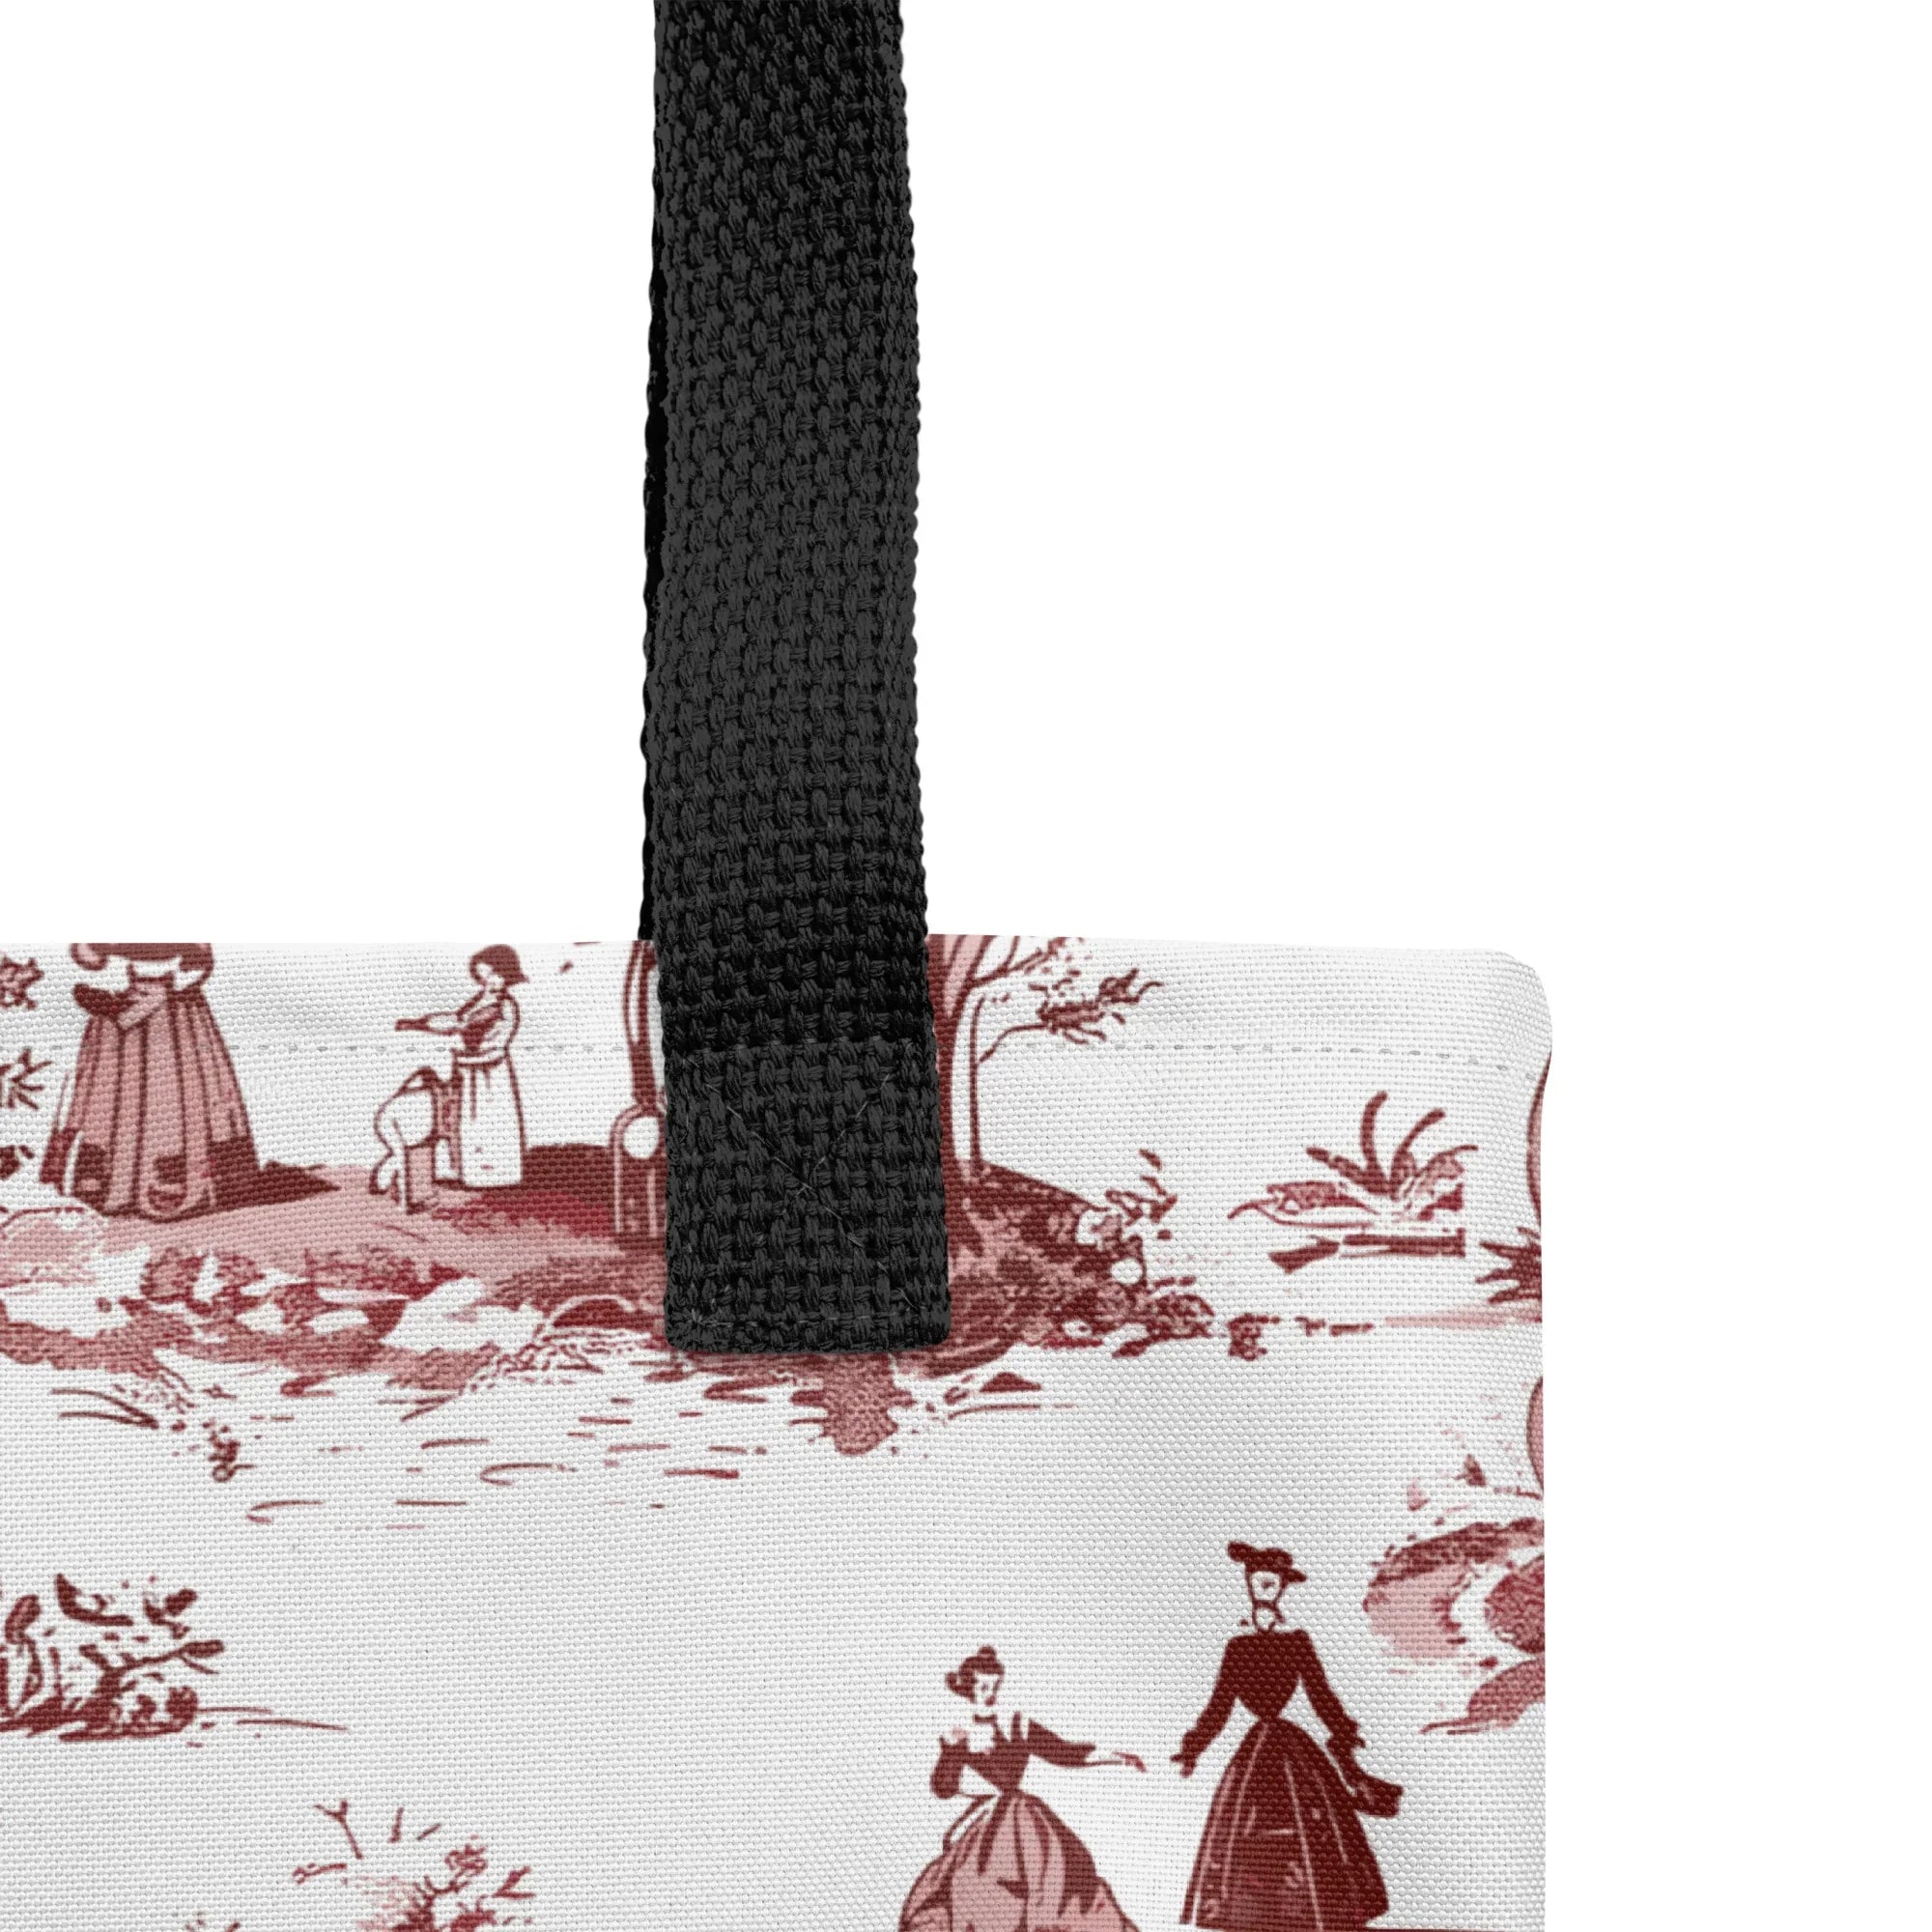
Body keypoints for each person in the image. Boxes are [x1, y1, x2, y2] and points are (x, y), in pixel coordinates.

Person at [1175, 1545, 1397, 1931]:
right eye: (1259, 1581)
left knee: (1310, 1823)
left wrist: (1343, 1730)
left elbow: (1320, 1693)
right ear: (1249, 1584)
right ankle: (1254, 1912)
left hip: (1292, 1748)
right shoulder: (1238, 1645)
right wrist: (1193, 1747)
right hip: (1256, 1751)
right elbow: (1220, 1704)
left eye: (1272, 1583)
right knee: (1250, 1828)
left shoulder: (1296, 1641)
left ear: (1281, 1589)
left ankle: (1315, 1909)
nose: (1265, 1588)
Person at [901, 1645, 1145, 1932]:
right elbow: (943, 1788)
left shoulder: (1017, 1724)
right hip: (985, 1818)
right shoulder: (959, 1733)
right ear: (969, 1688)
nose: (990, 1693)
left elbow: (1063, 1752)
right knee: (970, 1882)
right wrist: (951, 1753)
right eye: (983, 1687)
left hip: (1023, 1817)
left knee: (1054, 1871)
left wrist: (1116, 1757)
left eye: (995, 1686)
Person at [41, 944, 259, 1220]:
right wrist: (112, 990)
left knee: (176, 1094)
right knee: (108, 1099)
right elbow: (86, 956)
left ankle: (176, 1180)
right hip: (119, 1018)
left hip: (177, 1014)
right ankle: (108, 1182)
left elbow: (200, 957)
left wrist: (169, 986)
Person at [393, 946, 527, 1189]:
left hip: (491, 1074)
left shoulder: (506, 1005)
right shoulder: (480, 1000)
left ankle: (498, 1173)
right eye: (484, 976)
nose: (488, 981)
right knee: (468, 1122)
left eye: (493, 975)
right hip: (470, 1071)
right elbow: (456, 1021)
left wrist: (468, 1058)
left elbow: (496, 1045)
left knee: (491, 1120)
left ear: (506, 974)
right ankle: (473, 1171)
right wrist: (421, 1024)